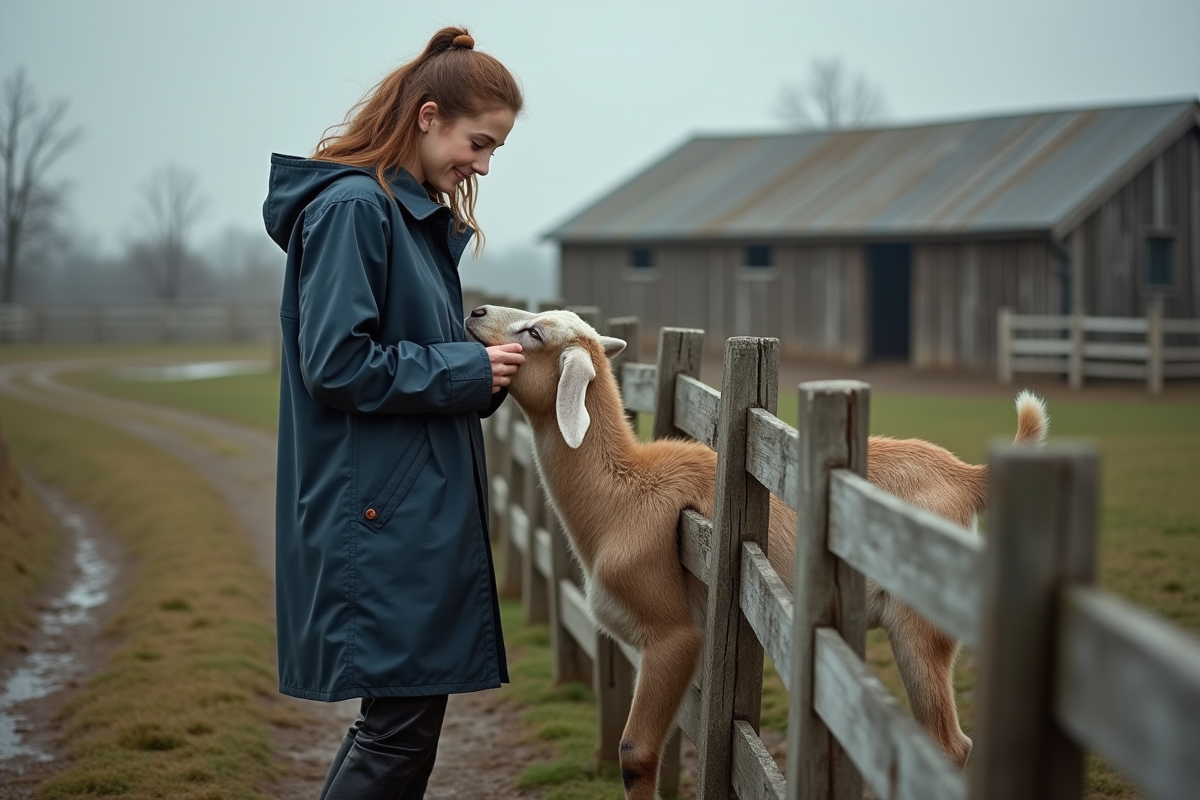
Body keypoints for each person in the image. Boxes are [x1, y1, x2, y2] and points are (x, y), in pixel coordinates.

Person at [261, 26, 526, 800]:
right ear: (428, 115)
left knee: (397, 730)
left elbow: (406, 355)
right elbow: (338, 363)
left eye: (492, 153)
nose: (479, 166)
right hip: (376, 516)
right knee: (398, 735)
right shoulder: (354, 210)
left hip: (399, 511)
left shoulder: (402, 217)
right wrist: (463, 368)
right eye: (477, 144)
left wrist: (487, 371)